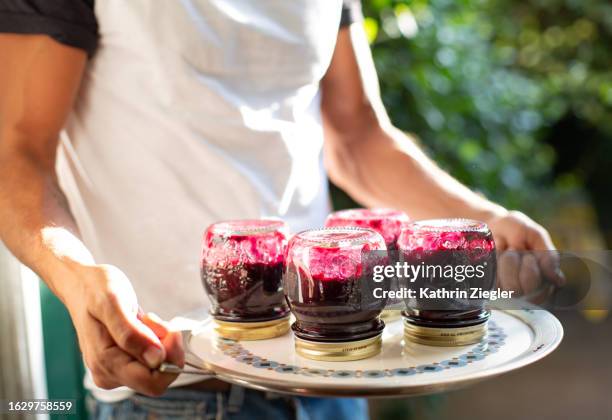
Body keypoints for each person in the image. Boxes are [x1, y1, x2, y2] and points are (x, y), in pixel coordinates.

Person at [0, 0, 564, 418]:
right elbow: (16, 153)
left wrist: (483, 218)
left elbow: (356, 135)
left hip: (334, 367)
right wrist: (75, 278)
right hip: (178, 386)